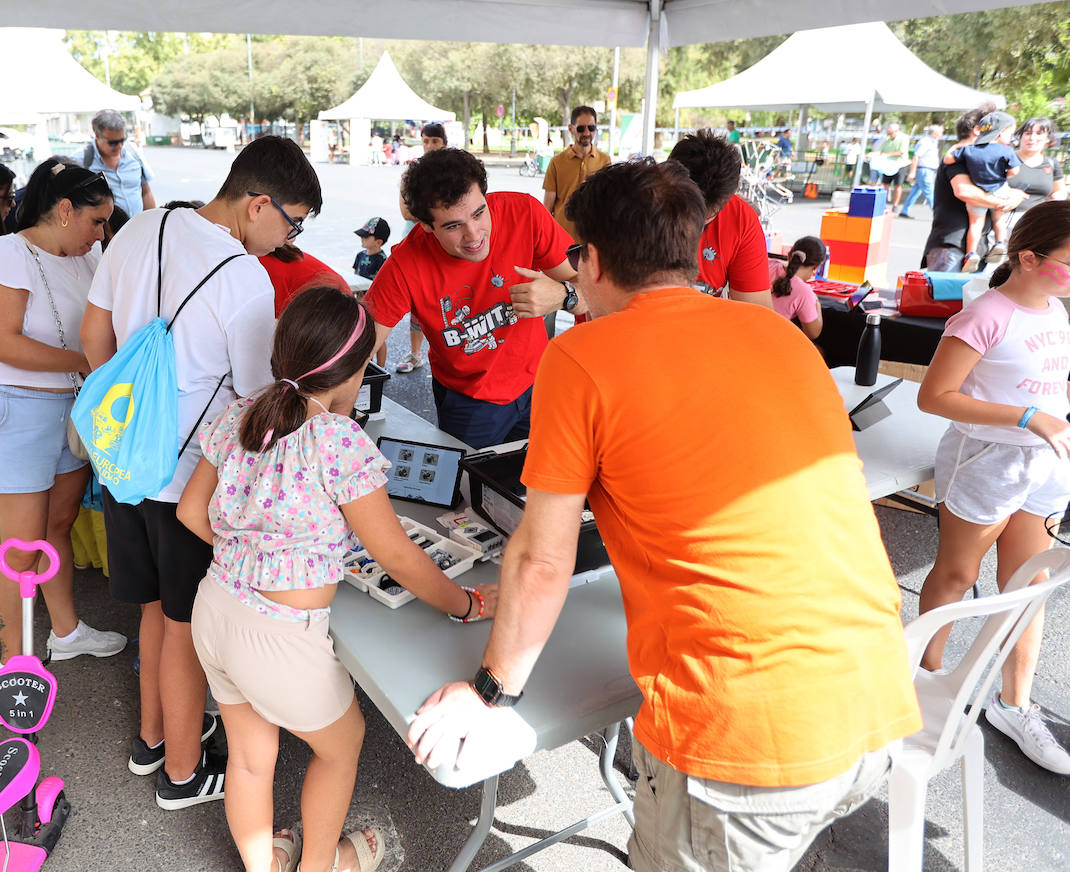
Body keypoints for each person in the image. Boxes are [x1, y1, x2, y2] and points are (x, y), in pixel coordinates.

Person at [405, 157, 921, 871]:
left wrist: (490, 694)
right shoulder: (779, 336)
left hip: (743, 742)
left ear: (595, 261)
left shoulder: (582, 356)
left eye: (576, 255)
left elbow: (544, 558)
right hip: (877, 699)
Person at [178, 287, 497, 872]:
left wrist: (257, 557)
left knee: (249, 759)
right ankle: (319, 865)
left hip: (215, 607)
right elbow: (397, 557)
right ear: (354, 372)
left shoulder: (242, 412)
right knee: (342, 745)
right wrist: (467, 604)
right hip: (279, 636)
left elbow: (190, 512)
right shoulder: (337, 440)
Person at [80, 135, 320, 811]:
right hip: (189, 480)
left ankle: (152, 739)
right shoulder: (244, 278)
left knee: (154, 613)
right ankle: (182, 775)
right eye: (293, 223)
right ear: (258, 204)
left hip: (124, 461)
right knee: (184, 626)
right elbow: (255, 396)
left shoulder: (142, 226)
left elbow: (95, 336)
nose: (289, 239)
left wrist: (129, 423)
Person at [915, 200, 1070, 776]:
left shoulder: (1055, 307)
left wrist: (1054, 416)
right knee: (957, 576)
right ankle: (923, 683)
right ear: (1029, 258)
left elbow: (1050, 383)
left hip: (1044, 464)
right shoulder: (985, 314)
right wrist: (1028, 417)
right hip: (986, 461)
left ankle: (1015, 705)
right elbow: (934, 397)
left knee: (1028, 586)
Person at [0, 157, 127, 666]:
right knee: (22, 547)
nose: (101, 234)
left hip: (71, 408)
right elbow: (4, 345)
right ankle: (14, 662)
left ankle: (66, 633)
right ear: (65, 210)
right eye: (97, 221)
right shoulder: (3, 254)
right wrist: (90, 363)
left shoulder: (88, 259)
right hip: (14, 411)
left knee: (57, 526)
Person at [363, 147, 582, 448]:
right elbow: (358, 349)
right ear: (426, 226)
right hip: (468, 403)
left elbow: (592, 291)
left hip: (539, 382)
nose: (474, 235)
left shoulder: (524, 213)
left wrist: (563, 294)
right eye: (454, 226)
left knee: (535, 476)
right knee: (468, 478)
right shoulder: (406, 263)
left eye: (479, 213)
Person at [666, 129, 772, 307]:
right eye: (681, 210)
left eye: (705, 217)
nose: (692, 227)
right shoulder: (631, 208)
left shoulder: (741, 219)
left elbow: (757, 311)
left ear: (729, 196)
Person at [921, 103, 1026, 273]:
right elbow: (965, 191)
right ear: (978, 130)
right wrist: (1001, 202)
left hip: (977, 248)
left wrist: (1015, 196)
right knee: (945, 291)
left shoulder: (983, 157)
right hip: (952, 247)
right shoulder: (962, 156)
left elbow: (1002, 186)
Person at [394, 122, 449, 375]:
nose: (430, 146)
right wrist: (443, 214)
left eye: (435, 141)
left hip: (447, 244)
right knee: (419, 302)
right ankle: (416, 354)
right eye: (426, 141)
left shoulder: (454, 171)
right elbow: (406, 211)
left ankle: (449, 354)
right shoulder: (411, 172)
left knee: (449, 300)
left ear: (444, 143)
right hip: (417, 244)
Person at [944, 111, 1021, 270]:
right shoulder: (1006, 150)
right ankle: (1000, 243)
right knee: (998, 220)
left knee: (975, 224)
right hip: (999, 189)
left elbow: (948, 159)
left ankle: (971, 254)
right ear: (1001, 132)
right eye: (1010, 133)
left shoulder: (969, 150)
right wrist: (1005, 174)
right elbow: (1015, 171)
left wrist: (956, 146)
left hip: (977, 191)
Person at [542, 106, 612, 242]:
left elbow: (607, 203)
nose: (586, 132)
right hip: (562, 241)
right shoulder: (556, 162)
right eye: (581, 128)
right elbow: (547, 210)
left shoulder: (605, 161)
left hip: (593, 240)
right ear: (571, 129)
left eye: (591, 128)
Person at [82, 109, 155, 217]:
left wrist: (153, 221)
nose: (119, 146)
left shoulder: (133, 153)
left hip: (138, 225)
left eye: (122, 140)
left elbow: (146, 192)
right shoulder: (83, 161)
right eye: (113, 143)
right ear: (97, 135)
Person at [261, 243, 352, 317]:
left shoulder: (265, 265)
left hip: (336, 310)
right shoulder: (267, 255)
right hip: (340, 303)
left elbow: (277, 317)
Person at [767, 237, 825, 340]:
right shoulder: (805, 293)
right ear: (816, 267)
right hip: (770, 339)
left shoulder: (768, 264)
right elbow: (813, 334)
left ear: (789, 255)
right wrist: (817, 304)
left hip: (744, 328)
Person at [1008, 117, 1065, 215]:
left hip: (1039, 218)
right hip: (1005, 218)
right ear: (1021, 136)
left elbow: (1060, 191)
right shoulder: (1005, 159)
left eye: (1039, 134)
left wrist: (1058, 197)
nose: (1032, 138)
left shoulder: (1052, 163)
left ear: (1047, 138)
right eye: (1028, 133)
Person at [899, 125, 943, 218]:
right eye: (940, 133)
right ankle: (938, 214)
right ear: (934, 133)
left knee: (915, 192)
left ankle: (905, 210)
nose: (941, 135)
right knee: (930, 192)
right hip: (925, 170)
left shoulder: (932, 141)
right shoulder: (925, 142)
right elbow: (916, 156)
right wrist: (912, 171)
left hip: (927, 170)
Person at [870, 122, 910, 205]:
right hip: (888, 166)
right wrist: (871, 154)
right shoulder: (887, 139)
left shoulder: (904, 138)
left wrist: (887, 155)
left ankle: (895, 205)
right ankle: (882, 205)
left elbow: (901, 152)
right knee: (885, 185)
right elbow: (881, 151)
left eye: (890, 130)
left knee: (898, 185)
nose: (888, 132)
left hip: (900, 165)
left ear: (896, 130)